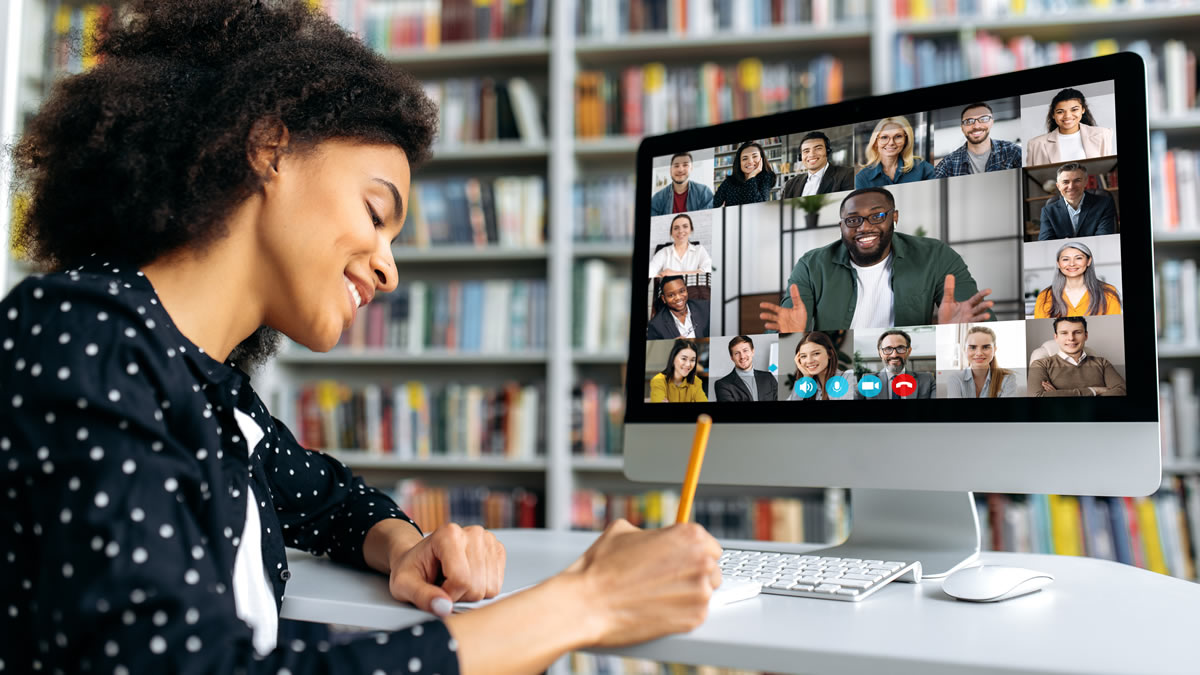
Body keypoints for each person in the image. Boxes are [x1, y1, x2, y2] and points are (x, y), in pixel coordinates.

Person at [0, 2, 725, 673]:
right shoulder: (78, 336)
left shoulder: (213, 390)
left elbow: (331, 499)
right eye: (377, 211)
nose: (389, 267)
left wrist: (406, 544)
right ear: (269, 148)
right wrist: (587, 602)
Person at [758, 187, 995, 333]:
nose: (865, 227)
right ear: (842, 226)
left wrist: (959, 334)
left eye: (877, 216)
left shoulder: (935, 255)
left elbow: (979, 324)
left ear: (895, 217)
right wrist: (788, 337)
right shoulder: (811, 265)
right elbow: (787, 325)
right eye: (853, 220)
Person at [1028, 317, 1127, 397]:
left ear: (1086, 336)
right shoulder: (1040, 364)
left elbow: (1122, 390)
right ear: (1056, 337)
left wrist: (1058, 394)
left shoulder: (1102, 363)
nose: (1071, 338)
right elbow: (1036, 396)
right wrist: (1094, 391)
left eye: (1078, 332)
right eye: (1064, 333)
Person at [1026, 88, 1116, 165]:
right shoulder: (1036, 144)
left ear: (1083, 110)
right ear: (1053, 114)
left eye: (1074, 110)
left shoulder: (1102, 134)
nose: (1067, 116)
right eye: (1060, 112)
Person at [932, 102, 1023, 177]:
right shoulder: (948, 163)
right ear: (962, 127)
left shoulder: (1013, 152)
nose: (976, 126)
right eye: (969, 121)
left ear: (991, 122)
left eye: (983, 119)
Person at [1033, 241, 1122, 318]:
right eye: (1065, 259)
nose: (1072, 264)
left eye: (1078, 258)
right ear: (1058, 264)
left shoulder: (1108, 293)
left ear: (1088, 261)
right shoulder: (1044, 296)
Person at [1038, 162, 1117, 240]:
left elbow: (1104, 238)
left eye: (1077, 180)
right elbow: (1045, 243)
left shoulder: (1104, 204)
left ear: (1085, 182)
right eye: (1065, 182)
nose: (1071, 186)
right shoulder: (1047, 211)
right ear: (1058, 186)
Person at [854, 116, 936, 188]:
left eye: (898, 136)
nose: (891, 143)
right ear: (875, 142)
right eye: (884, 137)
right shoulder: (862, 178)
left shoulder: (923, 168)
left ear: (906, 140)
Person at [946, 326, 1018, 398]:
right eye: (973, 347)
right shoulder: (955, 379)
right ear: (965, 350)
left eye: (986, 347)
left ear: (994, 350)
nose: (979, 353)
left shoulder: (1007, 379)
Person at [780, 131, 855, 198]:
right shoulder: (790, 184)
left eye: (818, 148)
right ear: (801, 157)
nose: (812, 155)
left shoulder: (847, 174)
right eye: (806, 151)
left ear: (827, 151)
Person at [784, 332, 856, 400]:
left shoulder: (848, 377)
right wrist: (806, 378)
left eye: (816, 353)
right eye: (803, 356)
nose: (809, 361)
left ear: (829, 354)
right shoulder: (809, 385)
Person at [868, 330, 935, 399]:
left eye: (900, 348)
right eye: (888, 349)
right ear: (880, 353)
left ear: (909, 351)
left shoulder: (927, 380)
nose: (894, 355)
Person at [713, 336, 778, 402]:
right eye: (737, 353)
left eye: (745, 350)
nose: (742, 356)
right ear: (732, 358)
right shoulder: (723, 384)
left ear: (752, 352)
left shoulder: (768, 377)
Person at [712, 141, 777, 207]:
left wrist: (751, 177)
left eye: (754, 156)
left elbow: (760, 206)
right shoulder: (729, 182)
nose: (750, 162)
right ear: (739, 163)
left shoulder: (766, 177)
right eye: (745, 158)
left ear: (761, 159)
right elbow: (712, 205)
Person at [648, 213, 713, 277]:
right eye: (676, 228)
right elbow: (650, 272)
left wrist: (673, 274)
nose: (681, 231)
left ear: (691, 230)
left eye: (685, 226)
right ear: (671, 233)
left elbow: (708, 270)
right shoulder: (663, 252)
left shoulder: (699, 250)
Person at [649, 152, 714, 216]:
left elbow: (709, 221)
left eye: (685, 165)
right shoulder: (657, 199)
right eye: (676, 166)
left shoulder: (704, 193)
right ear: (670, 170)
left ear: (691, 168)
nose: (680, 170)